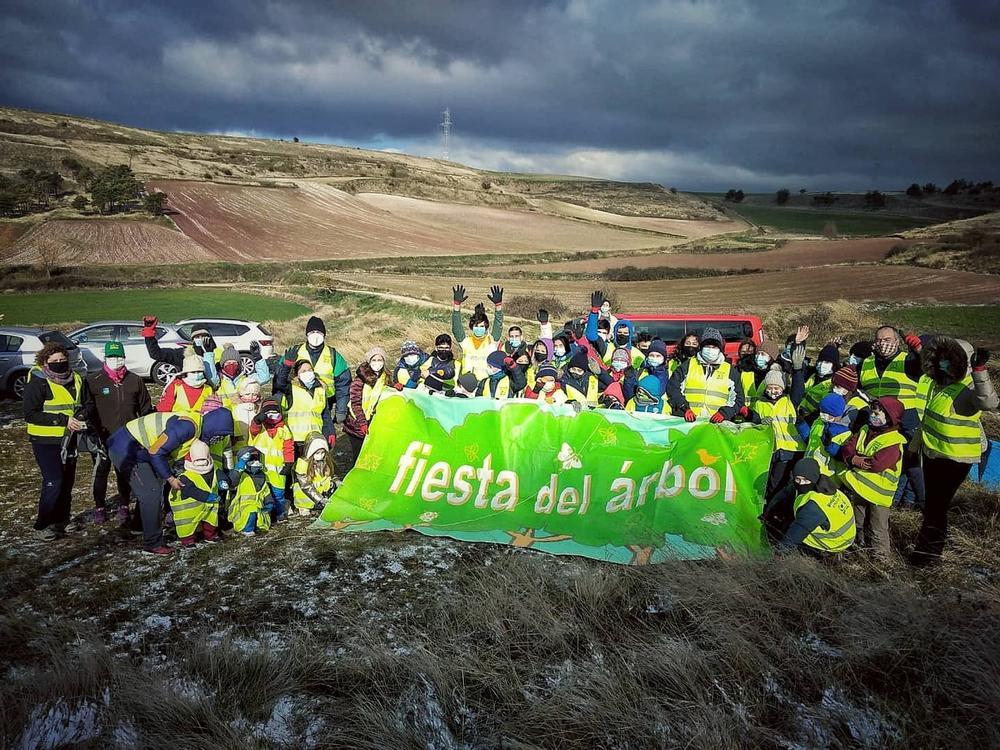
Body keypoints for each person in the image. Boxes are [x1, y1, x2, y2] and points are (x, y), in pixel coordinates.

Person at [910, 338, 998, 565]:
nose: (943, 363)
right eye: (941, 358)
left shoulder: (969, 387)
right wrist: (919, 349)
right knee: (933, 504)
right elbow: (928, 418)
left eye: (949, 359)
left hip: (955, 459)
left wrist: (980, 371)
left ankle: (928, 555)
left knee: (937, 506)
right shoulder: (941, 383)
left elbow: (988, 402)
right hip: (934, 454)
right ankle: (926, 549)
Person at [108, 404, 234, 554]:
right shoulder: (188, 427)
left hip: (138, 449)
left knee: (152, 489)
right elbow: (156, 451)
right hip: (126, 448)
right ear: (213, 428)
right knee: (151, 494)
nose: (218, 440)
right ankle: (153, 544)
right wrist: (170, 478)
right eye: (218, 435)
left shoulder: (197, 426)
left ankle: (139, 527)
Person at [82, 340, 153, 525]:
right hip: (102, 437)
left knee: (124, 473)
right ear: (105, 358)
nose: (116, 360)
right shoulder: (93, 380)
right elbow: (87, 410)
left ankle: (123, 504)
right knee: (101, 472)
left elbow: (145, 409)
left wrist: (143, 433)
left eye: (119, 357)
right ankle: (99, 507)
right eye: (112, 357)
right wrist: (94, 433)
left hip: (127, 438)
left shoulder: (135, 380)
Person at [24, 342, 90, 540]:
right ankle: (42, 524)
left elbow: (85, 403)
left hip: (69, 438)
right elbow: (30, 414)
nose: (60, 363)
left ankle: (61, 520)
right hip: (45, 440)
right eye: (55, 361)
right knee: (54, 480)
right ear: (45, 362)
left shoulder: (76, 378)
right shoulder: (38, 381)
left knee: (67, 482)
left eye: (62, 360)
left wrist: (82, 415)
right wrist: (63, 420)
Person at [858, 326, 925, 511]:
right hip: (880, 421)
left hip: (907, 418)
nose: (882, 344)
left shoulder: (908, 361)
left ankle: (923, 504)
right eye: (879, 340)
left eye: (887, 340)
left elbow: (927, 365)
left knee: (912, 464)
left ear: (897, 341)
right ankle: (896, 502)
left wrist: (918, 350)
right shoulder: (867, 362)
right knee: (891, 463)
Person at [838, 396, 906, 559]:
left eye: (879, 414)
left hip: (879, 495)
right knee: (857, 520)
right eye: (873, 413)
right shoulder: (864, 430)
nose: (874, 416)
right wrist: (853, 458)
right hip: (860, 487)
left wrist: (856, 459)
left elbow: (876, 464)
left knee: (878, 526)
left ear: (890, 418)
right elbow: (848, 447)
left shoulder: (893, 441)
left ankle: (881, 558)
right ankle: (857, 549)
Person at [274, 315, 351, 431]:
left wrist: (341, 410)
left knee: (319, 428)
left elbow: (344, 385)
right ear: (307, 334)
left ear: (324, 335)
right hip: (296, 400)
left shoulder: (333, 355)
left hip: (324, 402)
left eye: (319, 332)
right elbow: (279, 378)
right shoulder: (295, 351)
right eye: (312, 332)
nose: (315, 335)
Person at [750, 362, 806, 502]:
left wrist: (798, 371)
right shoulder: (759, 404)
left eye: (777, 388)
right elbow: (754, 424)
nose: (773, 391)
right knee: (772, 484)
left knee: (784, 484)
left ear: (782, 388)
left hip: (792, 449)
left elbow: (798, 388)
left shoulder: (790, 401)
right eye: (770, 387)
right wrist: (759, 422)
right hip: (772, 450)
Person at [775, 458, 856, 555]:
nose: (801, 483)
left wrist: (775, 558)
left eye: (805, 480)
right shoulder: (827, 486)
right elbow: (787, 490)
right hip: (846, 535)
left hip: (834, 544)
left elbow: (792, 538)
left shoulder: (813, 507)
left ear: (813, 477)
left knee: (785, 530)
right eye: (797, 479)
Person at [667, 327, 744, 423]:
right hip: (688, 421)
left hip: (717, 424)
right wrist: (684, 408)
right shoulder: (687, 366)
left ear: (720, 349)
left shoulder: (730, 371)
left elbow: (738, 398)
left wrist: (725, 413)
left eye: (714, 347)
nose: (710, 350)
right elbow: (673, 389)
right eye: (707, 346)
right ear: (701, 347)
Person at [168, 439, 227, 547]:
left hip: (208, 506)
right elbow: (190, 490)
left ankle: (211, 535)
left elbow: (219, 474)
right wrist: (207, 496)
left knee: (211, 521)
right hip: (188, 510)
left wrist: (223, 481)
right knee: (187, 526)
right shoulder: (185, 478)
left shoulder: (213, 468)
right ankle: (188, 540)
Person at [249, 398, 295, 522]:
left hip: (278, 469)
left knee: (279, 494)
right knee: (262, 494)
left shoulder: (284, 429)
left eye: (275, 413)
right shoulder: (260, 427)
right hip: (260, 469)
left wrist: (289, 462)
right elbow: (253, 429)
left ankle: (280, 514)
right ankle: (265, 516)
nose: (273, 417)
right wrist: (257, 420)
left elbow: (288, 447)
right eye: (269, 414)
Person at [344, 348, 391, 464]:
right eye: (374, 360)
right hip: (356, 424)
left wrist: (396, 387)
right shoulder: (360, 380)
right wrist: (362, 423)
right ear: (368, 362)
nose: (377, 363)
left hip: (375, 423)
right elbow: (355, 403)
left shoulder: (386, 378)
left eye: (380, 360)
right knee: (359, 456)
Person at [452, 284, 504, 380]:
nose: (479, 328)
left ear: (486, 327)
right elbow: (456, 328)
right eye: (476, 326)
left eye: (482, 326)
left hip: (485, 383)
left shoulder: (492, 341)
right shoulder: (465, 342)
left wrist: (498, 306)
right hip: (466, 383)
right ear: (472, 327)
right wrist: (456, 306)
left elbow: (498, 325)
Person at [279, 359, 331, 449]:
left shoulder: (321, 390)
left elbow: (325, 415)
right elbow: (279, 383)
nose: (308, 373)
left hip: (315, 438)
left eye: (310, 370)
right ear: (296, 374)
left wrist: (330, 432)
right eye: (303, 371)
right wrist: (286, 366)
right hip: (294, 440)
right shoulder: (290, 390)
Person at [141, 316, 218, 374]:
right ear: (193, 339)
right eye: (197, 337)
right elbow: (156, 354)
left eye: (204, 336)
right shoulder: (184, 354)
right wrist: (149, 333)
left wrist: (209, 352)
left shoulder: (218, 353)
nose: (201, 339)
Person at [800, 393, 852, 477]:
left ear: (836, 414)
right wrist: (801, 425)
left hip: (826, 476)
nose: (822, 415)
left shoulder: (845, 433)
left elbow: (842, 456)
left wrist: (829, 445)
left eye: (826, 413)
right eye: (821, 411)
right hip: (808, 470)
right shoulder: (819, 422)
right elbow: (809, 439)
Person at [229, 446, 272, 537]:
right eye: (252, 462)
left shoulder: (262, 476)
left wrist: (269, 501)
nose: (256, 464)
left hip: (259, 506)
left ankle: (258, 527)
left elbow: (266, 490)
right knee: (250, 512)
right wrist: (239, 468)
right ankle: (248, 530)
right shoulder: (241, 475)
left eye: (257, 461)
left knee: (262, 520)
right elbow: (232, 481)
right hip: (242, 508)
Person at [293, 433, 337, 515]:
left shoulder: (325, 461)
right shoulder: (302, 464)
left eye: (322, 452)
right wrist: (320, 499)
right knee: (301, 489)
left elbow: (331, 474)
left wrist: (336, 481)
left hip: (320, 493)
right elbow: (305, 485)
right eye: (317, 453)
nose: (320, 456)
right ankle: (303, 507)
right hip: (307, 495)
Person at [798, 341, 841, 423]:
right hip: (797, 414)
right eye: (820, 361)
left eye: (827, 362)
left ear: (834, 365)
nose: (822, 365)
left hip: (811, 421)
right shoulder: (812, 375)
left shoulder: (834, 384)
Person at [231, 380, 262, 452]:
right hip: (237, 447)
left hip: (254, 446)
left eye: (254, 394)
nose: (251, 397)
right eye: (247, 394)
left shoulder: (258, 409)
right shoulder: (234, 409)